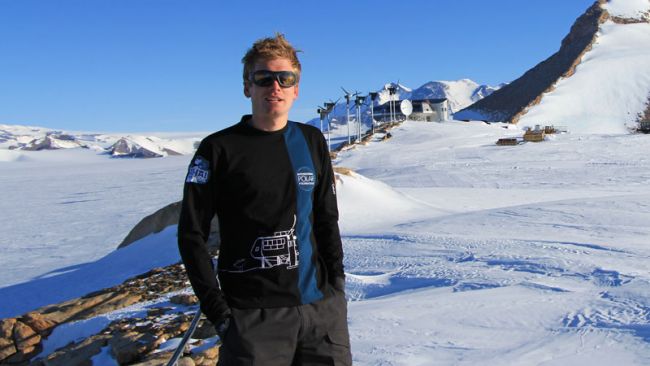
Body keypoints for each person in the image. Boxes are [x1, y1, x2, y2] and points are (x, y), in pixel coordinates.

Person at [178, 33, 352, 366]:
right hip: (252, 320)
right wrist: (220, 314)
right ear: (248, 87)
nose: (275, 87)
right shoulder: (219, 149)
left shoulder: (311, 140)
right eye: (264, 78)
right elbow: (191, 235)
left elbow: (326, 219)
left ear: (296, 88)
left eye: (285, 79)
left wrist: (336, 289)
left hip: (320, 314)